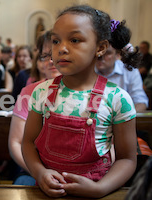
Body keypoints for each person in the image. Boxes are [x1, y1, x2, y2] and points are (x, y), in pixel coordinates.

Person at [22, 5, 139, 198]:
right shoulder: (41, 92)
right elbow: (28, 142)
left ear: (100, 47)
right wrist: (39, 172)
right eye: (56, 41)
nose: (62, 49)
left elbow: (127, 159)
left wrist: (100, 188)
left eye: (75, 40)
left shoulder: (117, 98)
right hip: (48, 192)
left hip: (97, 191)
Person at [9, 30, 61, 186]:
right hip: (34, 167)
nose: (51, 61)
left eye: (55, 54)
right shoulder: (30, 92)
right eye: (45, 56)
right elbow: (16, 143)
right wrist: (39, 172)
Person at [96, 44, 148, 112]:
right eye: (98, 52)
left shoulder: (129, 70)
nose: (101, 56)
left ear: (117, 55)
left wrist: (126, 118)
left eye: (107, 53)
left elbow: (140, 101)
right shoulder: (87, 70)